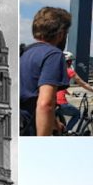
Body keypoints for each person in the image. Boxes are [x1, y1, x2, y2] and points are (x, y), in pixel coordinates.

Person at [20, 7, 71, 136]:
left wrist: (54, 121)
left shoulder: (24, 52)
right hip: (30, 129)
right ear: (61, 34)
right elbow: (45, 104)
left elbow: (31, 94)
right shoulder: (54, 54)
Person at [56, 52, 93, 134]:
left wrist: (70, 93)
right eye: (71, 61)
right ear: (68, 62)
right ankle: (66, 133)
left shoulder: (55, 71)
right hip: (61, 102)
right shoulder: (69, 71)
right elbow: (82, 83)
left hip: (52, 102)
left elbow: (59, 87)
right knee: (77, 114)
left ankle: (61, 132)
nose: (71, 63)